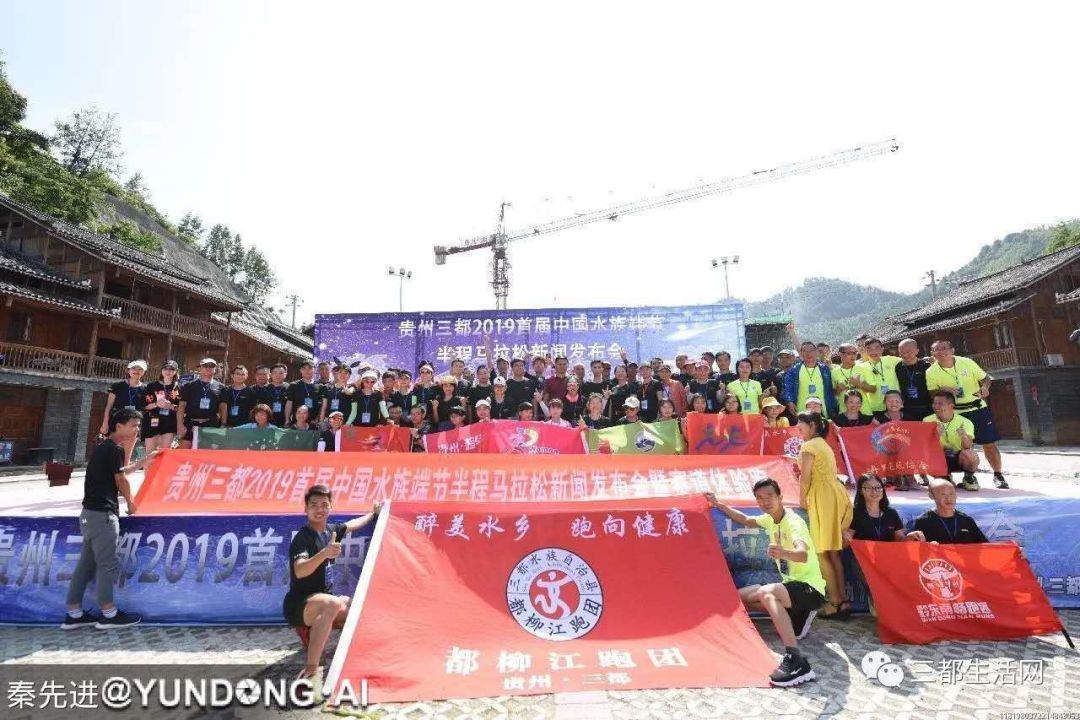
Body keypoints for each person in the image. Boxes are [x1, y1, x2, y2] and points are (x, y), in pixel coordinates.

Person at [705, 481, 825, 687]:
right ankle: (800, 616)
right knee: (737, 598)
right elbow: (744, 519)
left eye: (769, 496)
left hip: (810, 589)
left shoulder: (794, 523)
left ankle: (795, 660)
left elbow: (802, 554)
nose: (765, 501)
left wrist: (784, 553)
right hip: (790, 589)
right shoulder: (771, 520)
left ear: (780, 497)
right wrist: (718, 504)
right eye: (759, 498)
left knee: (768, 593)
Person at [62, 408, 156, 630]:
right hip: (103, 515)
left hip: (89, 515)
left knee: (85, 566)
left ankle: (74, 614)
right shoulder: (113, 448)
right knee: (107, 565)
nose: (137, 430)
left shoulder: (106, 448)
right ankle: (108, 613)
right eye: (133, 425)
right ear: (119, 426)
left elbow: (122, 472)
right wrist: (132, 503)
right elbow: (121, 480)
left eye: (138, 426)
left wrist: (145, 460)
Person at [283, 484, 381, 679]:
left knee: (356, 607)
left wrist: (373, 513)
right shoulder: (302, 538)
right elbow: (300, 571)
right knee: (333, 603)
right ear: (306, 509)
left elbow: (353, 524)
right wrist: (324, 553)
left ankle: (313, 632)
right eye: (314, 505)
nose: (319, 509)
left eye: (324, 505)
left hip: (322, 601)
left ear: (330, 507)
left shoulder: (332, 530)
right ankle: (311, 669)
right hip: (300, 605)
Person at [926, 339, 1007, 489]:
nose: (942, 352)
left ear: (952, 350)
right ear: (932, 354)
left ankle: (998, 475)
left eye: (945, 348)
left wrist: (985, 388)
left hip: (977, 408)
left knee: (989, 444)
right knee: (963, 447)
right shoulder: (931, 372)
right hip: (955, 412)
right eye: (937, 349)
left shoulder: (967, 362)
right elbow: (931, 393)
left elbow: (986, 379)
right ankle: (968, 477)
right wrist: (944, 389)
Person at [796, 411, 853, 619]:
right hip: (834, 493)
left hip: (822, 497)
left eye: (800, 426)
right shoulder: (822, 443)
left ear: (812, 425)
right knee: (833, 552)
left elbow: (805, 477)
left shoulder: (809, 446)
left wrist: (802, 499)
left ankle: (835, 602)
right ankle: (843, 600)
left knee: (822, 552)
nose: (798, 430)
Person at [924, 390, 980, 490]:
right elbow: (926, 447)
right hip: (939, 457)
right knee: (926, 456)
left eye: (940, 404)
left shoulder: (965, 422)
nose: (936, 406)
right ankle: (944, 477)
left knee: (970, 455)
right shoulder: (927, 420)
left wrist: (963, 435)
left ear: (951, 406)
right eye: (934, 403)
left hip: (958, 457)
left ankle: (969, 477)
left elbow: (968, 447)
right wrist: (936, 436)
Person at [912, 478, 988, 543]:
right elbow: (918, 550)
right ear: (931, 496)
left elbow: (985, 546)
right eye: (943, 495)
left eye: (952, 494)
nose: (948, 498)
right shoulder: (923, 521)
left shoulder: (966, 520)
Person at [102, 359, 148, 464]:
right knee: (110, 451)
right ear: (128, 370)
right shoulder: (117, 386)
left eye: (140, 369)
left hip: (133, 425)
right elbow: (108, 406)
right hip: (116, 423)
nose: (136, 371)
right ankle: (106, 476)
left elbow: (146, 407)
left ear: (144, 372)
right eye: (134, 368)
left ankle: (122, 477)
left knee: (127, 455)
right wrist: (105, 423)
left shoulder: (145, 389)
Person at [177, 358, 226, 449]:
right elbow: (182, 406)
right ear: (200, 368)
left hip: (210, 425)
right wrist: (180, 425)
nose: (208, 368)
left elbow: (223, 407)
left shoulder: (221, 387)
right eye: (205, 366)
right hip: (190, 423)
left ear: (215, 369)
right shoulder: (189, 386)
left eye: (211, 366)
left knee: (205, 455)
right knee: (184, 454)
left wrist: (223, 424)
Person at [784, 342, 838, 419]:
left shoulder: (825, 369)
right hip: (801, 410)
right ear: (801, 353)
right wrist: (790, 402)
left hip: (824, 411)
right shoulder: (794, 370)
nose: (808, 353)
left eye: (811, 350)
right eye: (805, 351)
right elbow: (788, 388)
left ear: (816, 352)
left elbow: (832, 389)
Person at [852, 337, 901, 420]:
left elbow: (909, 360)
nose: (873, 351)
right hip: (876, 408)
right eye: (869, 348)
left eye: (877, 348)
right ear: (865, 350)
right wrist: (858, 384)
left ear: (882, 349)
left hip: (895, 404)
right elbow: (860, 386)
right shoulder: (860, 367)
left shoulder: (891, 360)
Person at [143, 360, 181, 453]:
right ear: (161, 370)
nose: (168, 371)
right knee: (149, 454)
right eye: (165, 369)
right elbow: (144, 406)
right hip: (152, 422)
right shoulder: (152, 386)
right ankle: (148, 468)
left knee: (164, 453)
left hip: (169, 423)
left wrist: (172, 406)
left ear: (176, 371)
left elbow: (183, 408)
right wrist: (156, 404)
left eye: (171, 369)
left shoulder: (180, 387)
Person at [895, 338, 932, 421]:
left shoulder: (926, 365)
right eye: (902, 352)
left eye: (908, 352)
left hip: (927, 407)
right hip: (907, 409)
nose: (905, 355)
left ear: (917, 351)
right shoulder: (898, 367)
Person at [286, 361, 326, 427]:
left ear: (314, 370)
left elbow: (322, 406)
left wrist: (317, 420)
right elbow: (289, 403)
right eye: (304, 368)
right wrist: (287, 419)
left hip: (313, 423)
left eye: (310, 368)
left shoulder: (320, 387)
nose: (307, 370)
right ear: (300, 370)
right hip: (297, 422)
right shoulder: (294, 385)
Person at [219, 364, 256, 429]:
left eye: (243, 374)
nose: (240, 376)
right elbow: (223, 407)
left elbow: (252, 411)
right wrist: (223, 424)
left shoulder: (251, 391)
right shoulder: (225, 390)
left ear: (246, 376)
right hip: (228, 426)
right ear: (232, 375)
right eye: (237, 374)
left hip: (244, 427)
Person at [830, 344, 865, 413]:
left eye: (855, 353)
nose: (853, 356)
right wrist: (838, 389)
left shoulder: (863, 368)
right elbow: (833, 393)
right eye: (849, 353)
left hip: (864, 411)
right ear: (840, 354)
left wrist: (860, 384)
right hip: (844, 412)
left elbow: (873, 389)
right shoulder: (834, 372)